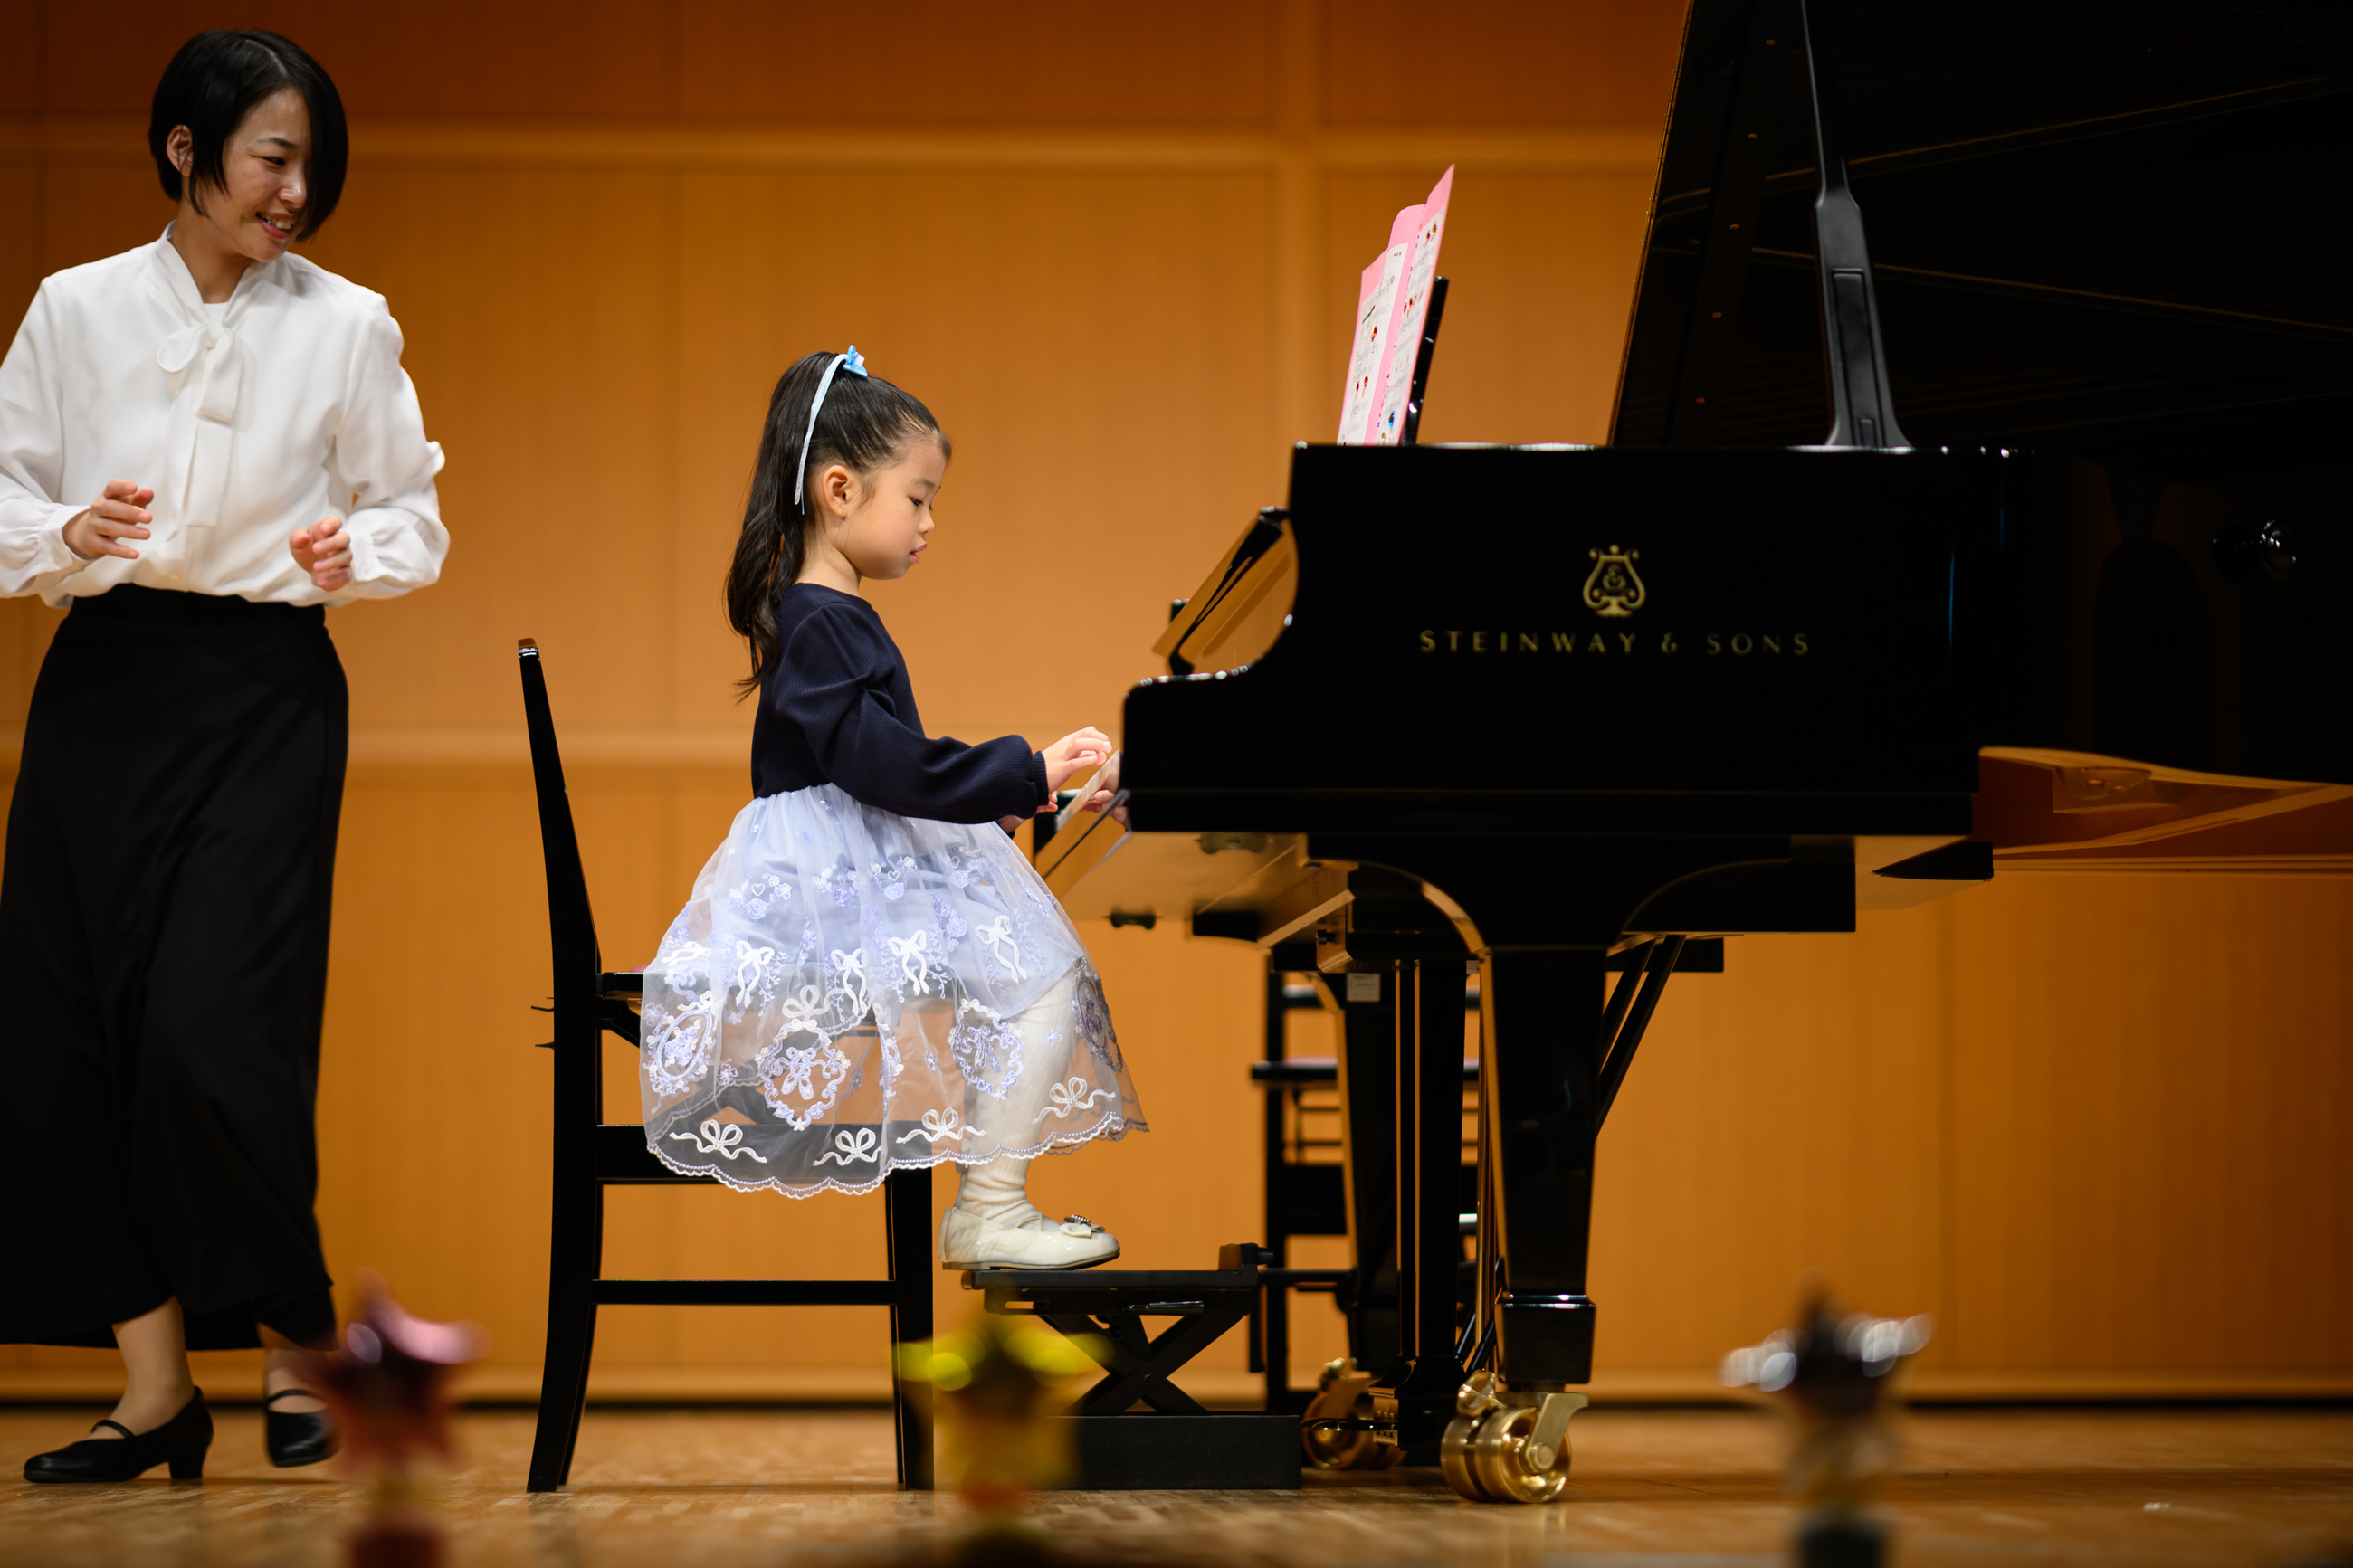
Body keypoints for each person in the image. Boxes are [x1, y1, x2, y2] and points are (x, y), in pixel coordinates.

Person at [0, 30, 449, 1483]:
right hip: (101, 691)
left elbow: (415, 516)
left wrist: (354, 550)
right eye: (273, 158)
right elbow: (3, 490)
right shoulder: (73, 308)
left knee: (214, 1039)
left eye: (313, 164)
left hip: (265, 696)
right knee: (69, 1046)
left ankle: (297, 1333)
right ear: (184, 150)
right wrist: (63, 533)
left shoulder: (349, 322)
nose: (296, 191)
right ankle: (156, 1394)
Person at [638, 347, 1140, 1269]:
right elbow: (882, 767)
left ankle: (990, 1201)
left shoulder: (823, 616)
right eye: (917, 497)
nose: (929, 521)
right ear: (839, 489)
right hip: (828, 902)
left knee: (1031, 976)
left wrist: (1018, 792)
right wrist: (1021, 768)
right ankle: (990, 1206)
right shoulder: (823, 620)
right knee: (1041, 977)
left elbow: (889, 771)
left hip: (850, 872)